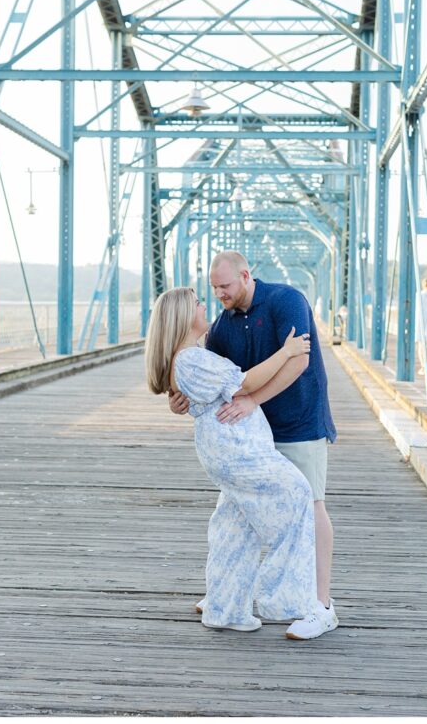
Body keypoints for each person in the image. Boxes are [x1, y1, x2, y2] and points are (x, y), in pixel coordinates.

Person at [170, 251, 338, 640]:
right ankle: (226, 593)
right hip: (252, 435)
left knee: (310, 503)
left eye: (225, 287)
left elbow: (299, 361)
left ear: (246, 276)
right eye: (213, 289)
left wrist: (251, 400)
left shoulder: (286, 300)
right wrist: (178, 399)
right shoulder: (221, 326)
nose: (219, 296)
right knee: (235, 514)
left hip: (298, 421)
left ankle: (320, 606)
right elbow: (204, 376)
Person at [145, 287, 318, 635]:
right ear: (182, 316)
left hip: (232, 449)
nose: (204, 305)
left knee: (236, 527)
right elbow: (243, 384)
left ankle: (225, 608)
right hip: (236, 451)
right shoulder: (190, 359)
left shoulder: (192, 356)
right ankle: (280, 597)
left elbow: (199, 395)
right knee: (297, 493)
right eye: (197, 303)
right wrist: (286, 352)